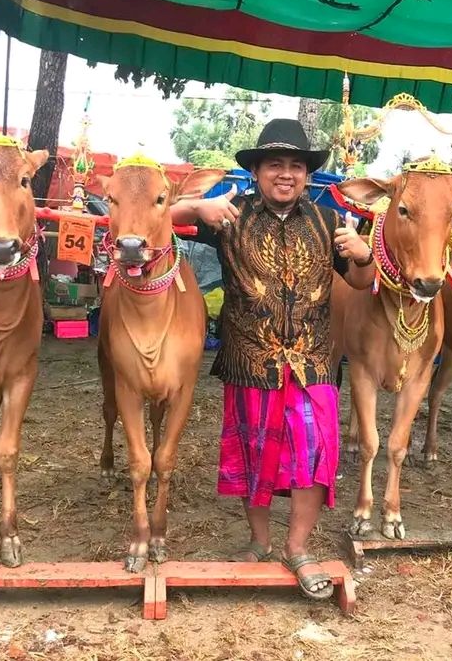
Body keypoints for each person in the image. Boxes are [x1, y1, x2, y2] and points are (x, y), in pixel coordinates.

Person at [172, 118, 374, 600]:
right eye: (275, 165)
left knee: (313, 454)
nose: (286, 174)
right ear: (257, 171)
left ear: (307, 174)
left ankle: (297, 548)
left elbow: (363, 284)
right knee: (254, 454)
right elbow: (149, 219)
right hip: (250, 361)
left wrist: (364, 256)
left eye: (296, 166)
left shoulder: (329, 223)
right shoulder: (228, 215)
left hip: (314, 363)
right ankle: (260, 542)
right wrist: (196, 204)